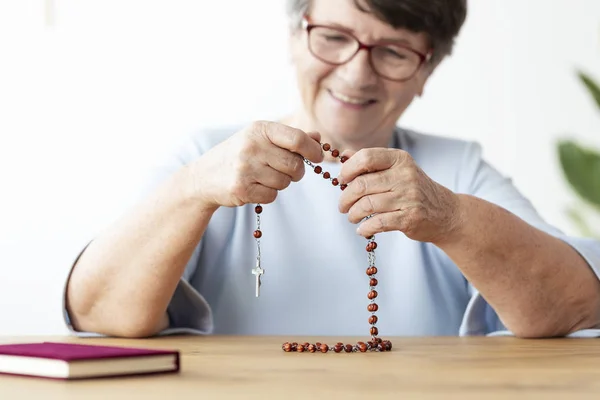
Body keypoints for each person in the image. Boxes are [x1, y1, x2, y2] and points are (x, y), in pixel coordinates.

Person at [63, 0, 600, 339]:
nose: (357, 73)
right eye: (334, 37)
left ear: (427, 71)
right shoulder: (206, 156)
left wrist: (451, 217)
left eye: (393, 52)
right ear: (297, 35)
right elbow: (98, 313)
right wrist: (193, 192)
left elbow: (578, 303)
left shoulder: (455, 169)